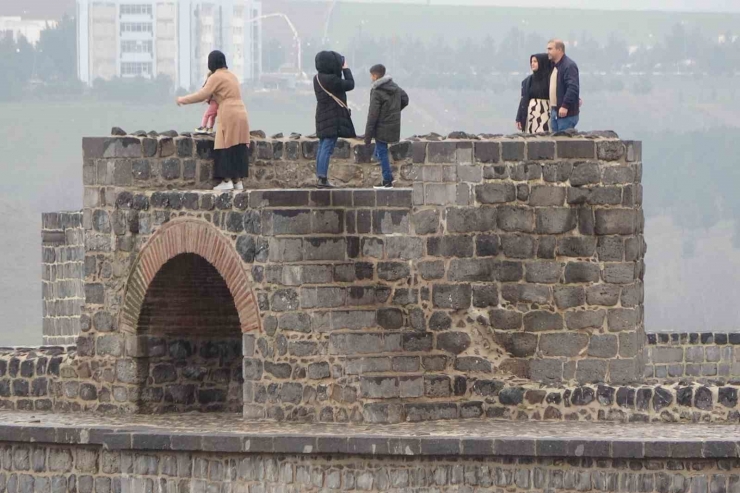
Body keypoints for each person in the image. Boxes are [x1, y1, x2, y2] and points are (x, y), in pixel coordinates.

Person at [177, 50, 250, 191]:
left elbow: (203, 94)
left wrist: (182, 100)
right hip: (241, 111)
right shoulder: (232, 76)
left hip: (228, 112)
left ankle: (226, 180)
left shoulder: (216, 77)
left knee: (224, 144)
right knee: (238, 145)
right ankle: (238, 181)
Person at [314, 51, 356, 188]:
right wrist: (345, 68)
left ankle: (320, 176)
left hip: (321, 115)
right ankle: (322, 179)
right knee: (327, 146)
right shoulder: (331, 80)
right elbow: (350, 84)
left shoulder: (318, 78)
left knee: (322, 145)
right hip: (332, 117)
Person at [364, 64, 409, 189]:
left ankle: (387, 181)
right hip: (393, 124)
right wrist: (393, 111)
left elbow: (372, 115)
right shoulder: (394, 87)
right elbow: (405, 99)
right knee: (380, 150)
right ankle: (387, 179)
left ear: (374, 75)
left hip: (381, 126)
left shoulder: (376, 91)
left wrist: (367, 137)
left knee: (382, 152)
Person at [547, 39, 580, 132]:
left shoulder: (569, 66)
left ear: (559, 50)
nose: (548, 52)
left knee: (564, 144)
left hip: (566, 114)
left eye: (550, 49)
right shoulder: (554, 66)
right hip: (555, 111)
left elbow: (573, 87)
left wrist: (565, 105)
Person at [516, 54, 552, 134]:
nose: (532, 64)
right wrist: (519, 118)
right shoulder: (528, 81)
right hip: (531, 115)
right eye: (531, 62)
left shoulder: (550, 79)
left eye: (535, 61)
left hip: (546, 113)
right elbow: (523, 99)